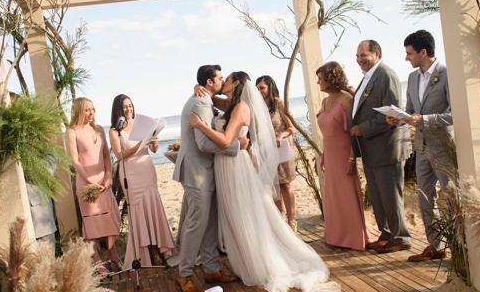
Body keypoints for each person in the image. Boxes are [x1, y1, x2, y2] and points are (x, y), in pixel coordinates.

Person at [189, 71, 339, 292]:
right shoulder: (231, 104)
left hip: (234, 165)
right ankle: (246, 260)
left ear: (236, 83)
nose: (224, 82)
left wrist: (200, 125)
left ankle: (259, 263)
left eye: (227, 79)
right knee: (234, 216)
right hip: (225, 165)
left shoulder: (241, 108)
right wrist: (197, 87)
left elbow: (226, 140)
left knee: (242, 215)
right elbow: (211, 97)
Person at [387, 30, 455, 262]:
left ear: (423, 52)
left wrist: (424, 119)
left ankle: (460, 246)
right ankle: (435, 246)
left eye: (409, 53)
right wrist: (398, 118)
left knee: (451, 196)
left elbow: (454, 114)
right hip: (422, 146)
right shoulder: (413, 78)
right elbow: (410, 111)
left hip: (444, 146)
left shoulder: (447, 74)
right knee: (425, 197)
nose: (406, 58)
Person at [172, 64, 241, 292]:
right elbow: (202, 144)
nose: (222, 81)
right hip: (196, 172)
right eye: (220, 78)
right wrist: (235, 147)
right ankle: (184, 273)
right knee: (197, 223)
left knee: (210, 221)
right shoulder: (200, 102)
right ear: (209, 82)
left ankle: (211, 269)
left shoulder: (207, 100)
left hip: (206, 171)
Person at [348, 40, 412, 254]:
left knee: (391, 196)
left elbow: (392, 113)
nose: (359, 60)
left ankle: (400, 237)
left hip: (386, 147)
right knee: (378, 196)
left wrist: (362, 128)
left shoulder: (386, 75)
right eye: (357, 56)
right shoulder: (367, 77)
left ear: (377, 54)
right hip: (370, 149)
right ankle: (386, 235)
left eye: (363, 55)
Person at [108, 94, 176, 269]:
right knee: (138, 212)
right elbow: (119, 155)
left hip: (146, 169)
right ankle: (146, 252)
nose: (128, 109)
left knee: (153, 207)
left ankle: (159, 249)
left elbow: (153, 150)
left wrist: (154, 142)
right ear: (118, 109)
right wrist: (139, 145)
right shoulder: (115, 131)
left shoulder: (141, 124)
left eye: (130, 105)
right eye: (124, 106)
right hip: (130, 174)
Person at [315, 62, 370, 250]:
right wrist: (324, 154)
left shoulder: (347, 100)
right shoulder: (325, 102)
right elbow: (327, 133)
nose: (318, 82)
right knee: (333, 197)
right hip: (330, 155)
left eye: (320, 79)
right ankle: (337, 237)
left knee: (347, 196)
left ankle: (354, 238)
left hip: (345, 154)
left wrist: (352, 158)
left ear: (330, 79)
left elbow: (354, 133)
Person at [65, 97, 121, 268]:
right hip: (86, 185)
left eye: (93, 109)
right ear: (79, 111)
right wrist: (90, 181)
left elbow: (106, 156)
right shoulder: (72, 131)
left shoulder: (99, 129)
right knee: (92, 223)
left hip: (104, 183)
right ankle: (97, 262)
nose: (92, 112)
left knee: (110, 219)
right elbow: (75, 161)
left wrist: (108, 177)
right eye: (87, 109)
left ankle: (113, 255)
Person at [255, 75, 297, 231]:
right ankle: (281, 218)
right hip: (266, 150)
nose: (259, 91)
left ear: (270, 88)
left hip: (282, 148)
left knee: (286, 184)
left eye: (262, 88)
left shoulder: (279, 103)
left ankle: (292, 220)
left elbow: (291, 127)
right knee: (274, 186)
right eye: (257, 88)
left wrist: (281, 135)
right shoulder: (256, 107)